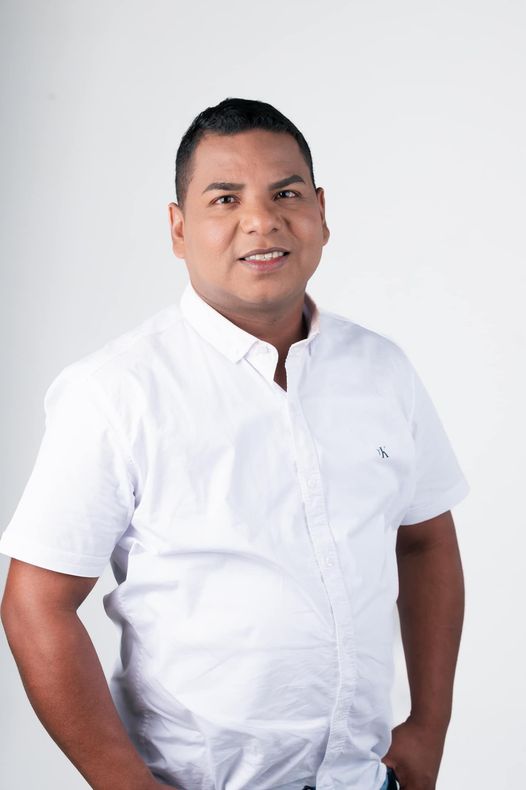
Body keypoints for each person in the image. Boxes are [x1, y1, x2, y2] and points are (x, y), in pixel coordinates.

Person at [0, 97, 469, 790]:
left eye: (287, 194)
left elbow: (425, 541)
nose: (262, 220)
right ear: (178, 227)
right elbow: (35, 602)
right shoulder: (115, 392)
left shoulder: (382, 370)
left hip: (364, 779)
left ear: (321, 212)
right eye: (226, 199)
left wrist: (429, 726)